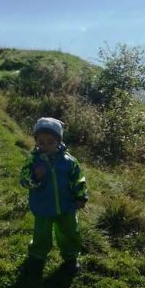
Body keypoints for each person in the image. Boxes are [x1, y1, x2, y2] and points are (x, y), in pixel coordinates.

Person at [20, 117, 88, 277]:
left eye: (50, 142)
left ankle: (71, 258)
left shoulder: (69, 162)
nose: (46, 146)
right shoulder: (32, 161)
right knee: (41, 235)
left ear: (59, 141)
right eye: (41, 142)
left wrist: (80, 196)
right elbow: (24, 181)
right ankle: (37, 257)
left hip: (67, 207)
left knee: (69, 233)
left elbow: (79, 179)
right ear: (36, 141)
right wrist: (35, 177)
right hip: (43, 207)